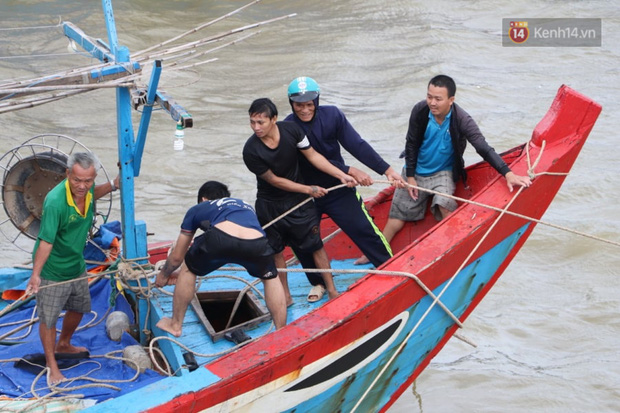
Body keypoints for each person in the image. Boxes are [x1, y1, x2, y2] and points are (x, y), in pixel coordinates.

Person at [284, 76, 406, 299]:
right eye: (299, 105)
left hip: (338, 188)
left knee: (363, 229)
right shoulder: (288, 127)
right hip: (307, 192)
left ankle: (389, 269)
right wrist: (349, 169)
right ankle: (318, 282)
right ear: (291, 104)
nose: (304, 110)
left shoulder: (333, 116)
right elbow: (310, 159)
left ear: (317, 101)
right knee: (301, 239)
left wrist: (387, 170)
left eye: (309, 104)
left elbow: (356, 144)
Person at [382, 74, 532, 246]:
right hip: (415, 170)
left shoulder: (462, 120)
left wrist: (508, 173)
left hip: (443, 172)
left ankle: (451, 246)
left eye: (438, 99)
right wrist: (410, 176)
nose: (432, 103)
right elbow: (411, 143)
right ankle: (373, 255)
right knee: (397, 216)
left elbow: (482, 147)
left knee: (444, 205)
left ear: (451, 99)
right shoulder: (420, 111)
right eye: (429, 97)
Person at [242, 98, 357, 306]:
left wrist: (341, 175)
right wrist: (308, 190)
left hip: (299, 202)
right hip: (270, 204)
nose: (256, 128)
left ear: (274, 119)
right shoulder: (251, 150)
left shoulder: (292, 131)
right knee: (277, 252)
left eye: (261, 122)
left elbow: (313, 156)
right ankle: (285, 297)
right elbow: (274, 180)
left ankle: (331, 290)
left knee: (316, 245)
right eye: (252, 122)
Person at [25, 152, 119, 386]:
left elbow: (92, 196)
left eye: (88, 181)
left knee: (79, 308)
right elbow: (46, 241)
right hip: (53, 268)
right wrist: (36, 275)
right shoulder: (55, 201)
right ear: (67, 174)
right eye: (77, 180)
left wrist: (114, 185)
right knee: (49, 318)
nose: (82, 186)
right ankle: (51, 365)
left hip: (76, 264)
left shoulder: (87, 190)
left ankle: (64, 343)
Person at [154, 181, 287, 335]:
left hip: (220, 238)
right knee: (270, 277)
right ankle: (280, 332)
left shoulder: (199, 208)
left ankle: (175, 325)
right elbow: (240, 242)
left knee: (188, 270)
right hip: (257, 242)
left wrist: (163, 276)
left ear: (203, 199)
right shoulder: (244, 205)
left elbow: (177, 257)